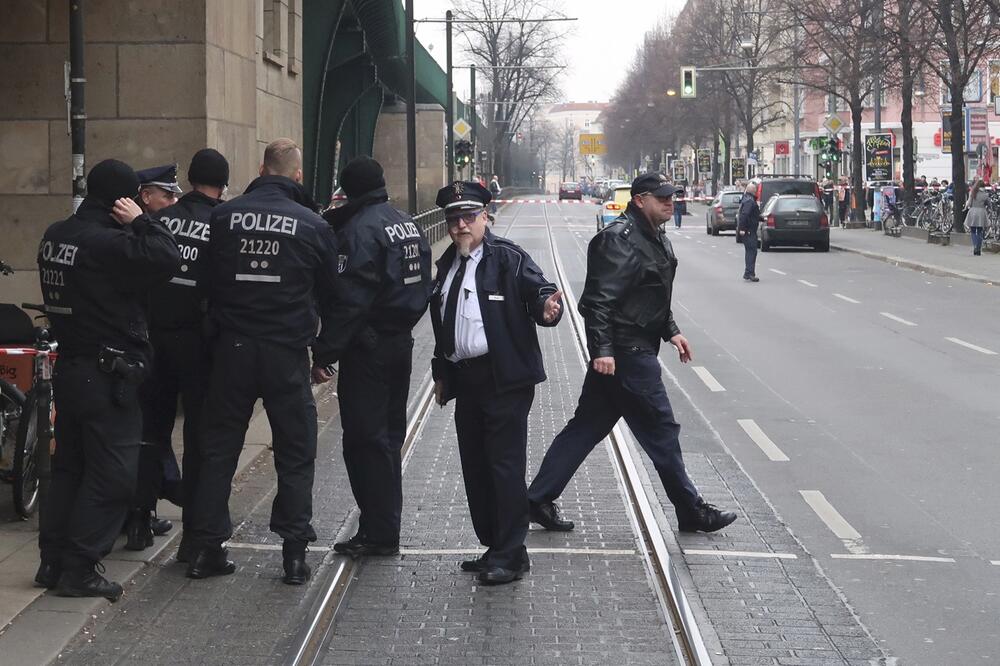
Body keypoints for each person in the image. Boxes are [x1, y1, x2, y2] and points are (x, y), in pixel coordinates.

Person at [527, 172, 737, 539]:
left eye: (673, 196)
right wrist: (602, 352)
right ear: (640, 200)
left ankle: (537, 498)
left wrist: (672, 331)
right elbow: (597, 303)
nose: (671, 202)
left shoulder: (654, 236)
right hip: (627, 353)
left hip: (632, 348)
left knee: (586, 427)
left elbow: (650, 295)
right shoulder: (619, 241)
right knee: (663, 432)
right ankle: (691, 511)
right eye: (662, 197)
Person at [185, 139, 339, 586]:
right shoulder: (312, 224)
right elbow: (334, 295)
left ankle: (206, 549)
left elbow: (205, 285)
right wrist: (323, 352)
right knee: (295, 452)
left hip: (232, 351)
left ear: (259, 169)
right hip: (286, 353)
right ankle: (293, 554)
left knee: (218, 451)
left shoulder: (224, 216)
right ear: (296, 177)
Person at [34, 159, 180, 601]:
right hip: (107, 375)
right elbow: (167, 258)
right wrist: (143, 223)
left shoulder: (56, 235)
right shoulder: (108, 243)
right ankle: (79, 566)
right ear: (123, 199)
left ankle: (53, 560)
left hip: (72, 368)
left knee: (69, 470)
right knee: (115, 475)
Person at [430, 180, 563, 585]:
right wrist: (441, 372)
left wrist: (546, 307)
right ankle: (499, 547)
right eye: (453, 220)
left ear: (486, 217)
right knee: (476, 466)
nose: (460, 226)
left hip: (504, 379)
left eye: (468, 217)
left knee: (503, 466)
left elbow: (538, 291)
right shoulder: (447, 265)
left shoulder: (507, 258)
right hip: (466, 380)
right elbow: (445, 323)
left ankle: (508, 550)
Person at [320, 156, 433, 558]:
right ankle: (384, 524)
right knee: (388, 438)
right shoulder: (408, 223)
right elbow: (424, 285)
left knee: (365, 441)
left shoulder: (360, 231)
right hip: (400, 342)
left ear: (348, 189)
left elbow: (350, 300)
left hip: (368, 349)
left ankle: (378, 531)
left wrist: (324, 352)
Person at [126, 149, 230, 560]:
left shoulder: (158, 220)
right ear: (223, 184)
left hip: (152, 339)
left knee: (149, 432)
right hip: (198, 344)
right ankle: (197, 531)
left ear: (187, 180)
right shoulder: (221, 224)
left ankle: (139, 518)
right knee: (201, 436)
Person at [737, 182, 761, 282]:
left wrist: (762, 218)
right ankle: (750, 273)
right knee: (752, 251)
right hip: (749, 231)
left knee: (750, 251)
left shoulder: (746, 199)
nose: (756, 192)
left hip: (748, 230)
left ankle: (748, 273)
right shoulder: (750, 201)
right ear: (753, 191)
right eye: (755, 190)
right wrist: (742, 229)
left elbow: (751, 215)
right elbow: (745, 215)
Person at [966, 178, 987, 256]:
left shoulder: (973, 193)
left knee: (973, 230)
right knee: (980, 231)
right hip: (981, 212)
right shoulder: (985, 194)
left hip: (973, 212)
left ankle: (975, 246)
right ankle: (978, 248)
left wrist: (966, 207)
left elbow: (969, 202)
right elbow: (989, 203)